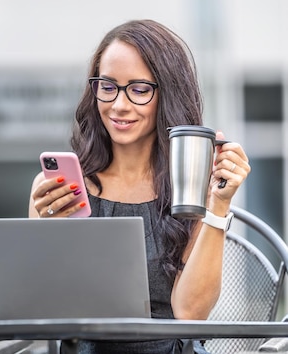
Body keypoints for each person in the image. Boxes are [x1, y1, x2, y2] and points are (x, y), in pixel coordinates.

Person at [28, 19, 250, 354]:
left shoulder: (190, 187)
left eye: (139, 89)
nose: (118, 105)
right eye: (108, 86)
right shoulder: (60, 188)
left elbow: (191, 315)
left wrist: (218, 207)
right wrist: (48, 236)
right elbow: (40, 310)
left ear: (167, 93)